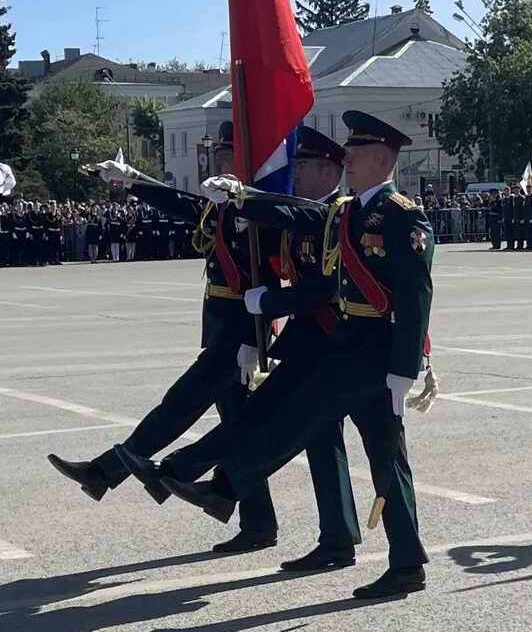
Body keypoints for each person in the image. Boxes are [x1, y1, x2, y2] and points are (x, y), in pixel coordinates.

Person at [149, 110, 437, 600]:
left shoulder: (401, 213)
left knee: (292, 414)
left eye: (357, 151)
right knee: (386, 461)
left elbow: (415, 296)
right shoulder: (346, 212)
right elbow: (299, 214)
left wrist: (404, 368)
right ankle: (407, 562)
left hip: (376, 352)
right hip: (350, 344)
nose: (346, 158)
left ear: (384, 159)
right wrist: (245, 197)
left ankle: (210, 479)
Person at [142, 127, 371, 573]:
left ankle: (190, 472)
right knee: (309, 437)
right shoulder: (310, 212)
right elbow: (267, 219)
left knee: (280, 426)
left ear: (329, 171)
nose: (295, 175)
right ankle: (335, 535)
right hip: (309, 342)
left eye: (302, 167)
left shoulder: (339, 215)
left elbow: (325, 287)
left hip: (335, 343)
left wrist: (266, 305)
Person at [47, 122, 277, 553]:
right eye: (219, 155)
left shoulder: (259, 208)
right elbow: (179, 202)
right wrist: (130, 178)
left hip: (242, 334)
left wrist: (253, 336)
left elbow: (271, 276)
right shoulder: (221, 205)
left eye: (228, 156)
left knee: (180, 404)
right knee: (237, 430)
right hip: (221, 326)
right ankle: (258, 523)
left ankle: (107, 469)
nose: (220, 162)